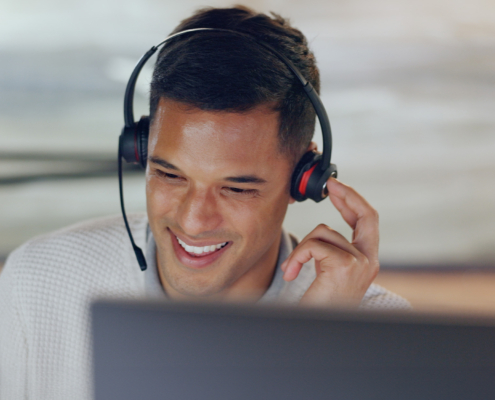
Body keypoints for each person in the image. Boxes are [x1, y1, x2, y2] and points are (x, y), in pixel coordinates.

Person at [0, 6, 410, 400]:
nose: (194, 221)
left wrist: (314, 341)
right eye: (170, 174)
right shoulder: (37, 281)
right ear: (140, 151)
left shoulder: (387, 338)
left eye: (236, 188)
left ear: (304, 177)